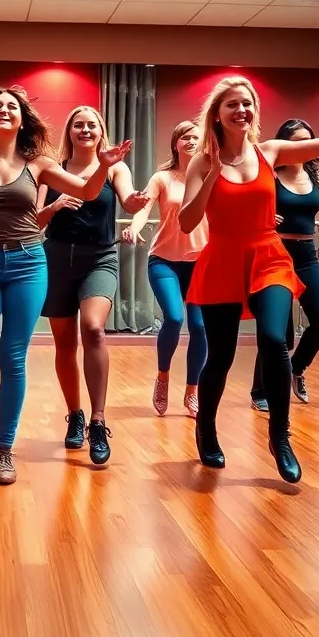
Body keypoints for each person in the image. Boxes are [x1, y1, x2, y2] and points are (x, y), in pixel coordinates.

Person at [182, 50, 319, 484]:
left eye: (247, 102)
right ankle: (207, 428)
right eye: (232, 103)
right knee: (221, 356)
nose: (242, 109)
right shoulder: (202, 161)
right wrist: (212, 174)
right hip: (223, 259)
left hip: (269, 256)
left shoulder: (270, 152)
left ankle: (280, 437)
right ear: (217, 114)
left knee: (274, 338)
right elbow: (187, 221)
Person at [0, 91, 131, 484]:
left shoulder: (39, 165)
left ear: (22, 120)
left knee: (13, 358)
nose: (4, 109)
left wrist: (102, 168)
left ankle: (5, 449)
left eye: (11, 106)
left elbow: (85, 192)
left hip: (28, 264)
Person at [37, 105, 149, 465]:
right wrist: (54, 208)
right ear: (69, 132)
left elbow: (129, 199)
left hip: (100, 258)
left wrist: (137, 202)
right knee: (65, 344)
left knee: (94, 330)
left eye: (92, 125)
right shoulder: (52, 170)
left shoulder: (115, 166)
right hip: (56, 259)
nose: (85, 130)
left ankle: (98, 420)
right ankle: (75, 415)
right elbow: (33, 221)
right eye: (78, 125)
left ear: (102, 131)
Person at [247, 118, 319, 410]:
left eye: (307, 140)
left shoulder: (315, 177)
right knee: (278, 332)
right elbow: (249, 210)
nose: (303, 147)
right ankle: (259, 391)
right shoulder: (269, 174)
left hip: (305, 254)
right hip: (275, 252)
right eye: (296, 141)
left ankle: (296, 369)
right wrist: (262, 219)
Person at [122, 120, 207, 419]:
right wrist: (133, 227)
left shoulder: (211, 177)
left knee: (199, 327)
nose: (190, 141)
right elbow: (144, 207)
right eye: (184, 137)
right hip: (164, 260)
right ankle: (163, 377)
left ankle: (192, 389)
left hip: (201, 262)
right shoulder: (162, 178)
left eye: (196, 137)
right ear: (175, 143)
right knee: (173, 317)